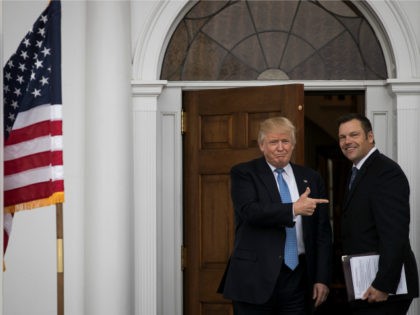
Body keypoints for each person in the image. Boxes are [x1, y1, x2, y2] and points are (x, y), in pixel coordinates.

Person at [218, 116, 332, 314]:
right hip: (254, 277)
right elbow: (250, 211)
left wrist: (322, 278)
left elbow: (322, 233)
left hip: (298, 278)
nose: (280, 147)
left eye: (285, 141)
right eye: (273, 142)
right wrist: (293, 209)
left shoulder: (311, 178)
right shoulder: (244, 173)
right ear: (262, 145)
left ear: (293, 144)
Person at [337, 113, 419, 315]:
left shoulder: (385, 172)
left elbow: (395, 233)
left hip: (383, 288)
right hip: (365, 285)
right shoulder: (356, 171)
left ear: (370, 136)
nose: (347, 141)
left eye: (354, 134)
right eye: (342, 137)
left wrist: (384, 284)